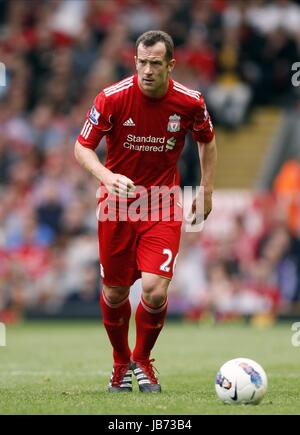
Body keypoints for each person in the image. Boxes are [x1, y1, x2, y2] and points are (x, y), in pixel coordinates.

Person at [74, 30, 217, 393]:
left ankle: (142, 361)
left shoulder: (190, 102)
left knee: (154, 291)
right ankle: (120, 364)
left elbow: (207, 140)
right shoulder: (112, 98)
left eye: (155, 63)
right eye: (141, 62)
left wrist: (206, 187)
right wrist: (106, 176)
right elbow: (82, 147)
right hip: (116, 206)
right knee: (115, 293)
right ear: (134, 60)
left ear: (171, 64)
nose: (147, 70)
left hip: (162, 203)